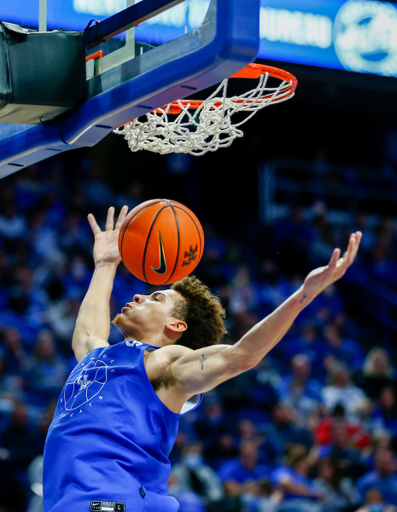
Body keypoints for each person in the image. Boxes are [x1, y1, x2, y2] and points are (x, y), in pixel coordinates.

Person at [42, 205, 362, 512]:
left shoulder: (165, 362)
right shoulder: (101, 358)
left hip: (109, 502)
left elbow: (240, 356)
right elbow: (85, 336)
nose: (138, 295)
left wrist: (304, 294)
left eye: (156, 298)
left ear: (176, 326)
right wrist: (106, 264)